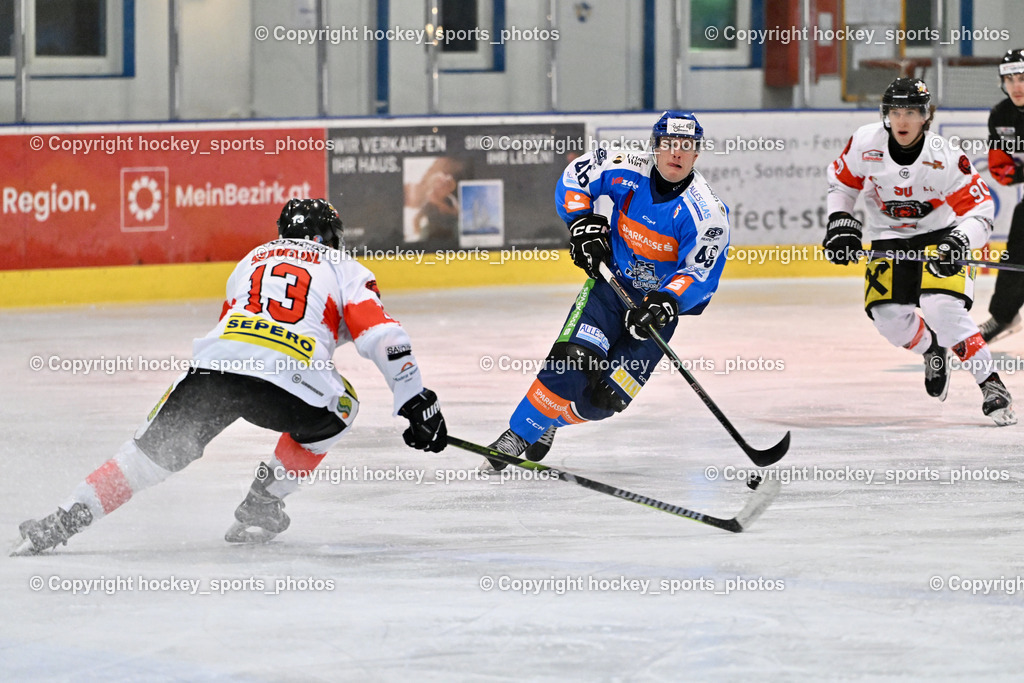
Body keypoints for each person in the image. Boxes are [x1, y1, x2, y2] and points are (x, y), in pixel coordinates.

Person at [12, 199, 448, 555]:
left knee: (143, 460)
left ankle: (64, 518)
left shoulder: (252, 258)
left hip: (214, 371)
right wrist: (415, 400)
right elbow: (384, 336)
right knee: (343, 407)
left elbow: (236, 327)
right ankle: (264, 502)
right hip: (290, 383)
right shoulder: (343, 267)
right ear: (332, 237)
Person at [483, 111, 731, 468]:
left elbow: (700, 273)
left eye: (686, 146)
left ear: (697, 154)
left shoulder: (707, 214)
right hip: (609, 289)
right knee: (573, 363)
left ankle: (551, 421)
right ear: (655, 147)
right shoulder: (624, 167)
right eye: (668, 144)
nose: (676, 153)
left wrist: (665, 301)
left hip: (655, 314)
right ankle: (518, 436)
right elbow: (574, 179)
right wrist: (582, 222)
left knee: (605, 399)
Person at [823, 77, 1015, 426]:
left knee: (941, 308)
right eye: (895, 112)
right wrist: (839, 221)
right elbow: (843, 184)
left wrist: (958, 242)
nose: (902, 121)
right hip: (887, 237)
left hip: (940, 237)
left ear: (926, 116)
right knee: (889, 319)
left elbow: (980, 210)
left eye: (911, 112)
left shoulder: (945, 157)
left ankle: (992, 385)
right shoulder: (866, 142)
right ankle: (932, 350)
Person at [977, 48, 1024, 343]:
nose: (1016, 86)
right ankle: (1004, 316)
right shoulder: (1001, 115)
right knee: (1015, 252)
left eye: (1022, 78)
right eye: (1010, 79)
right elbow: (1000, 168)